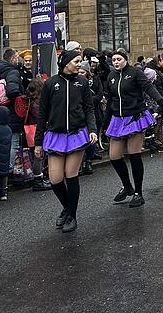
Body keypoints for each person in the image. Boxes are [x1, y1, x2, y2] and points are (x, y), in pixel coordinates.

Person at [34, 50, 97, 232]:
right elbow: (43, 113)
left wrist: (92, 130)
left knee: (71, 175)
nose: (79, 64)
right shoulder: (51, 84)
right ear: (66, 62)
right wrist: (38, 142)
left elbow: (89, 108)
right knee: (55, 179)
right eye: (77, 61)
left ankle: (72, 216)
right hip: (55, 135)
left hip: (77, 134)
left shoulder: (82, 82)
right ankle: (67, 208)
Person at [105, 49, 163, 208]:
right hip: (117, 119)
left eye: (119, 59)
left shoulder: (135, 72)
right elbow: (110, 100)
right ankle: (127, 186)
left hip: (135, 117)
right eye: (114, 60)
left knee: (134, 155)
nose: (116, 62)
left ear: (125, 59)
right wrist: (105, 123)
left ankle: (138, 193)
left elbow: (148, 88)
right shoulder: (111, 76)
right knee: (114, 156)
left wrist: (162, 101)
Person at [0, 48, 27, 169]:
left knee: (2, 143)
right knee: (14, 142)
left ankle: (0, 169)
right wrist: (22, 99)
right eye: (17, 57)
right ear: (12, 59)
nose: (18, 60)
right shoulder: (13, 72)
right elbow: (12, 91)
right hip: (12, 112)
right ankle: (9, 168)